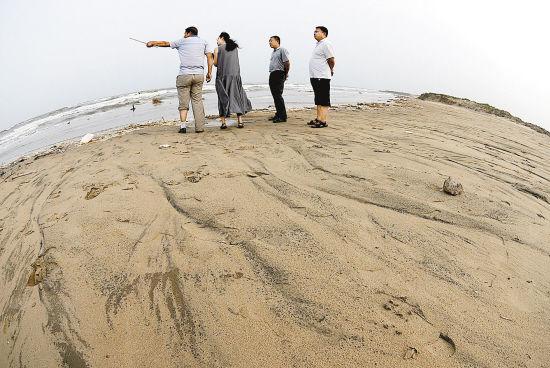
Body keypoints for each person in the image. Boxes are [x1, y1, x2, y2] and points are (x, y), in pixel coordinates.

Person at [147, 26, 213, 133]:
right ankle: (200, 128)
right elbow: (210, 57)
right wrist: (209, 72)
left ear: (189, 33)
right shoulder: (204, 42)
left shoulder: (182, 41)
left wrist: (152, 43)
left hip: (184, 75)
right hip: (199, 75)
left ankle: (183, 127)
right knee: (197, 101)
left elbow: (165, 43)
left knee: (183, 102)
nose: (184, 35)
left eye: (185, 33)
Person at [214, 32, 252, 129]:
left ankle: (223, 123)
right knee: (237, 97)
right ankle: (240, 121)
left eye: (217, 39)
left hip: (223, 76)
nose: (217, 41)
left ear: (222, 38)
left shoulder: (217, 49)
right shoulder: (234, 48)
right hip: (235, 76)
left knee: (222, 97)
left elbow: (216, 63)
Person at [308, 26, 335, 128]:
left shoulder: (326, 44)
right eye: (314, 31)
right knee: (318, 99)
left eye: (317, 31)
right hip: (315, 76)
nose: (314, 33)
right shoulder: (318, 44)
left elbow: (331, 59)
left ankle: (323, 121)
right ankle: (318, 118)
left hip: (322, 76)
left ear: (324, 34)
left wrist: (331, 69)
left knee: (323, 99)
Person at [268, 36, 290, 123]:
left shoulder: (282, 50)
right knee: (275, 95)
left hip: (279, 73)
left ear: (277, 41)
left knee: (278, 95)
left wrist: (286, 73)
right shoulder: (273, 52)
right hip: (273, 73)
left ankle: (283, 116)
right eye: (269, 41)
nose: (269, 42)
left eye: (271, 41)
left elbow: (287, 62)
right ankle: (278, 114)